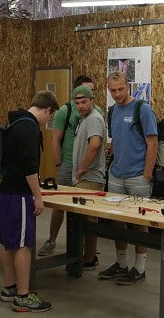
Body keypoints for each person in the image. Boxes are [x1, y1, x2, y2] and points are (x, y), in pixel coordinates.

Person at [0, 90, 59, 313]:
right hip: (18, 193)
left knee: (8, 241)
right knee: (23, 244)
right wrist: (37, 196)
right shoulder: (30, 128)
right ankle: (23, 297)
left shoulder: (14, 122)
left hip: (2, 190)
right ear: (47, 110)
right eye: (49, 118)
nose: (47, 122)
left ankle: (9, 287)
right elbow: (30, 168)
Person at [99, 71, 158, 285]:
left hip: (137, 177)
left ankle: (139, 267)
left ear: (128, 86)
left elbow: (152, 142)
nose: (117, 94)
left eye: (120, 89)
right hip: (116, 176)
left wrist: (147, 175)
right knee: (117, 222)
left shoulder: (143, 110)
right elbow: (115, 140)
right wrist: (112, 165)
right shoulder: (112, 111)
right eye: (113, 90)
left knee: (139, 223)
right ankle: (121, 264)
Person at [38, 75, 102, 257]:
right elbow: (55, 140)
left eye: (91, 93)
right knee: (60, 206)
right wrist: (60, 164)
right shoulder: (64, 111)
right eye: (84, 92)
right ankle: (51, 240)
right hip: (67, 165)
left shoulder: (96, 113)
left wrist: (84, 166)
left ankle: (88, 248)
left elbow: (96, 142)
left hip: (86, 169)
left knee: (87, 209)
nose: (87, 98)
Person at [71, 85, 106, 270]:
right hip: (83, 178)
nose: (81, 106)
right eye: (77, 103)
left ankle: (90, 257)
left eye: (84, 102)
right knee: (84, 221)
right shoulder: (83, 119)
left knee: (89, 220)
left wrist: (83, 167)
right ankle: (85, 255)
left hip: (90, 178)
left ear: (92, 100)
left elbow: (95, 144)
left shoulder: (93, 119)